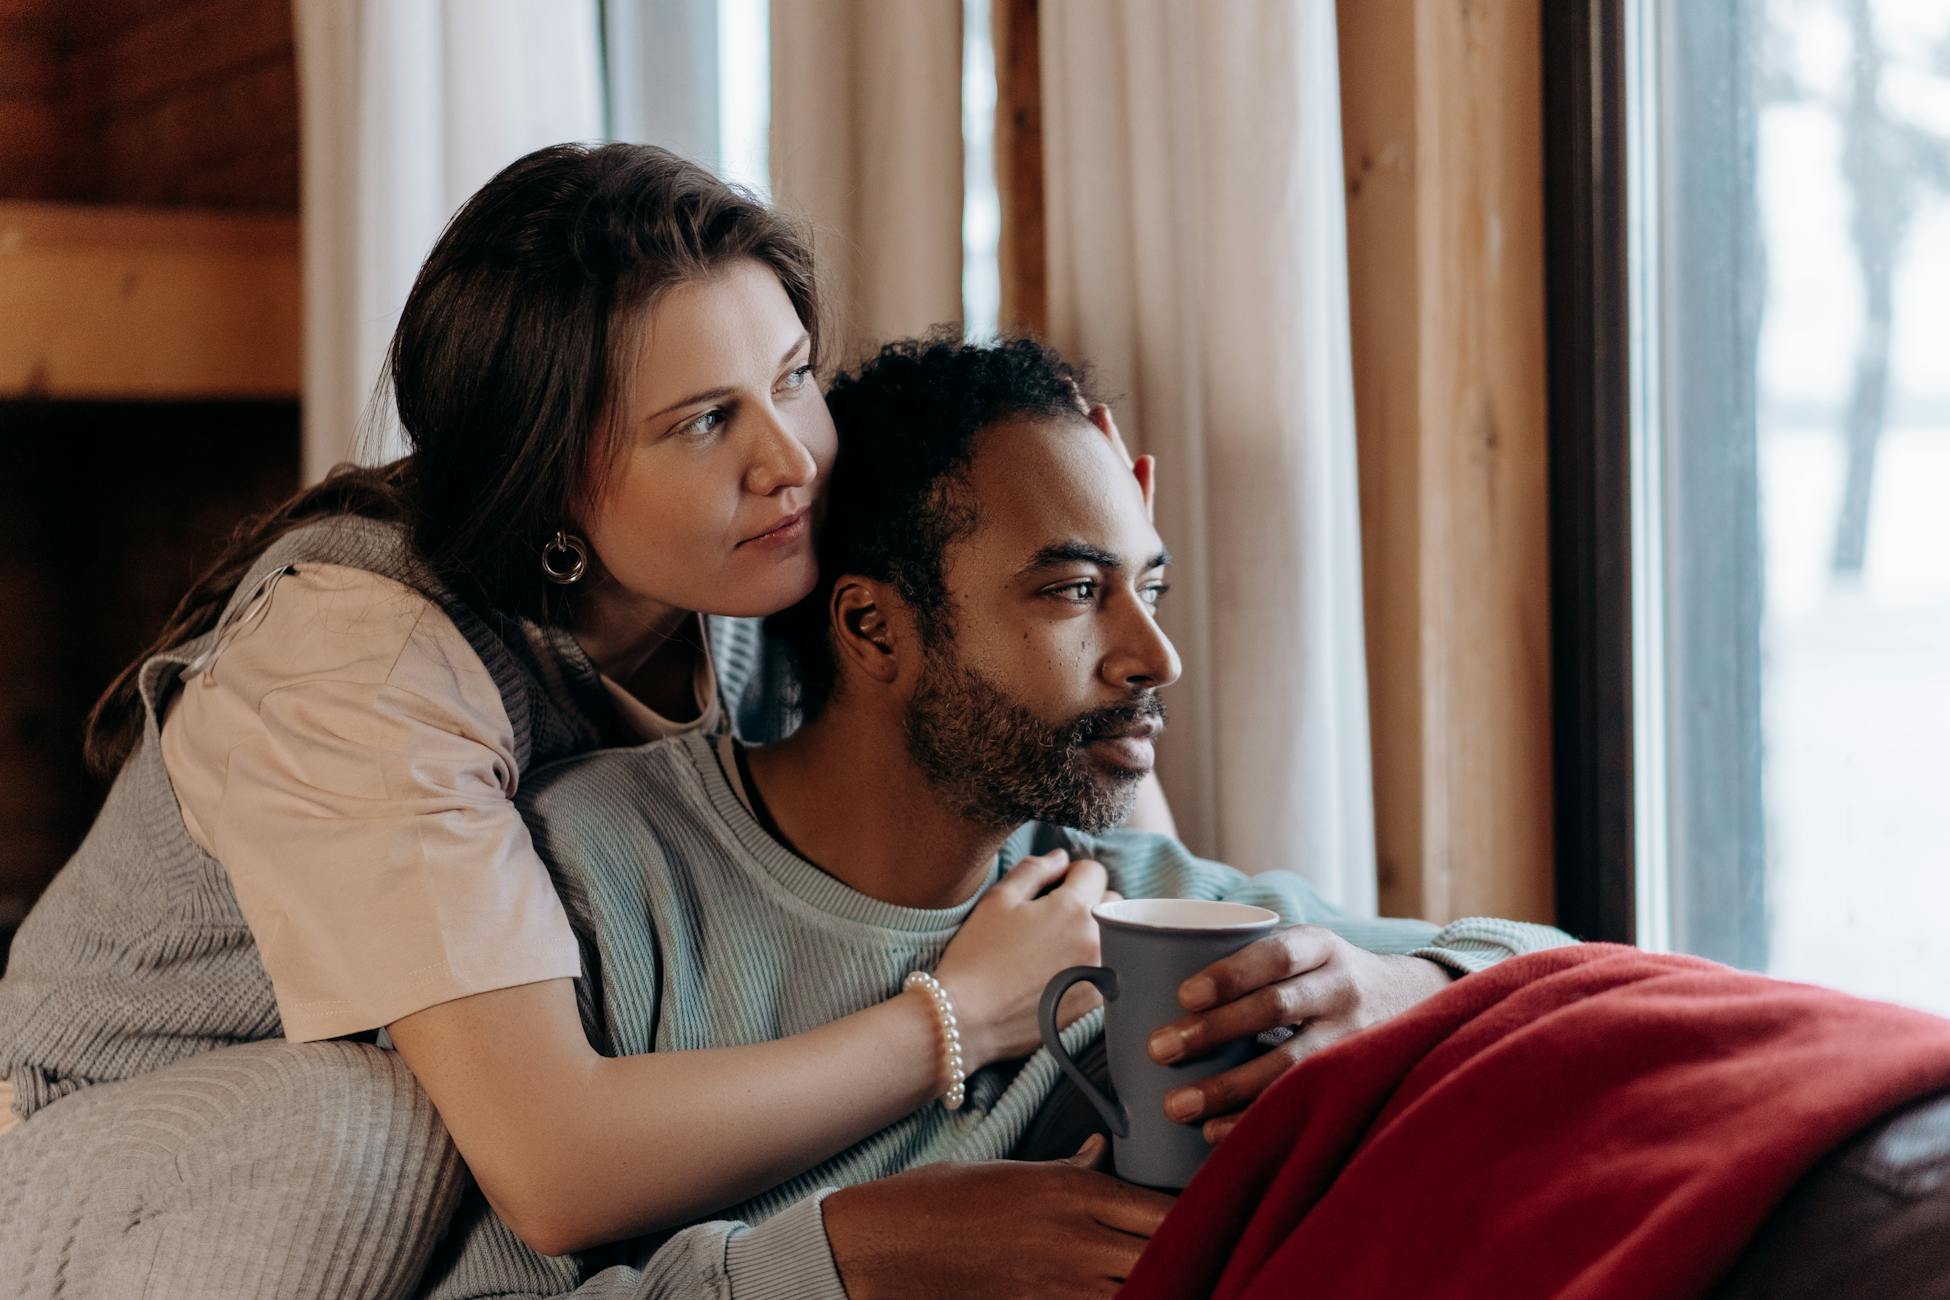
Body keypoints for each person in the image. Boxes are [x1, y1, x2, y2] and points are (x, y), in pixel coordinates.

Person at [0, 146, 1159, 1299]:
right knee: (377, 1127)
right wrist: (957, 1017)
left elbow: (1077, 786)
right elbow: (555, 1166)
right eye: (703, 422)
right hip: (113, 1156)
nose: (788, 460)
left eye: (793, 376)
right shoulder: (364, 651)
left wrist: (1095, 551)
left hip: (428, 1162)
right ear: (550, 474)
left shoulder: (754, 562)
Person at [463, 336, 1577, 1298]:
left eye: (1151, 588)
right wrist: (853, 1258)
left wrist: (1396, 988)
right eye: (1075, 591)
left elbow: (1567, 977)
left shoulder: (1116, 906)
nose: (1155, 656)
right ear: (874, 629)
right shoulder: (599, 872)